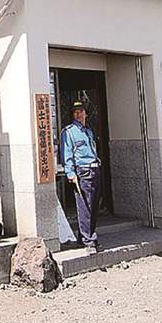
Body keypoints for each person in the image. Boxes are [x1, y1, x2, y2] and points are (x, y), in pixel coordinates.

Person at [61, 101, 102, 254]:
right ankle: (89, 240)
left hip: (94, 169)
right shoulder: (69, 132)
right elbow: (67, 154)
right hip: (83, 172)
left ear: (86, 113)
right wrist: (70, 173)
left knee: (94, 206)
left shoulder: (89, 131)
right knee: (85, 207)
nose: (78, 114)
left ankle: (83, 236)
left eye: (81, 111)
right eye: (75, 112)